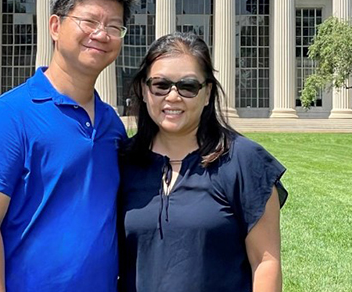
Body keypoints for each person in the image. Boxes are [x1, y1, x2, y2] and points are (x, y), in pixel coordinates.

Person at [0, 0, 143, 292]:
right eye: (89, 22)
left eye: (114, 26)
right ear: (55, 26)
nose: (101, 34)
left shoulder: (111, 126)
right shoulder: (8, 116)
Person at [118, 32, 287, 292]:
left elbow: (265, 261)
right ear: (143, 89)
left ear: (207, 93)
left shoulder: (243, 161)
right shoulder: (122, 162)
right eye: (160, 85)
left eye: (188, 86)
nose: (173, 97)